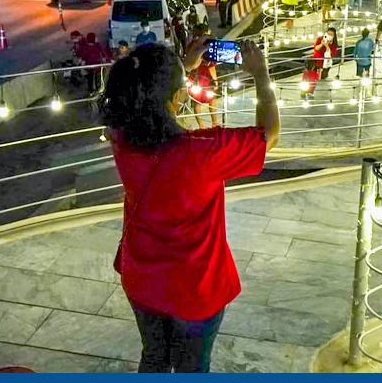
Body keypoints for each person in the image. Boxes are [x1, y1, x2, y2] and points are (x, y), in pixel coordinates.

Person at [103, 38, 278, 373]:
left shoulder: (121, 136)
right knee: (192, 367)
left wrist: (182, 67)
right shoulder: (203, 151)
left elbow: (151, 96)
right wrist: (260, 75)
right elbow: (268, 133)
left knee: (153, 357)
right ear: (177, 96)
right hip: (194, 287)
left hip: (142, 277)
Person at [188, 24, 219, 128]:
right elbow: (212, 65)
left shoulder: (192, 44)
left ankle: (201, 125)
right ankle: (214, 122)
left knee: (197, 101)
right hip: (205, 76)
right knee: (211, 99)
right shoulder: (207, 45)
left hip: (195, 76)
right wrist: (215, 80)